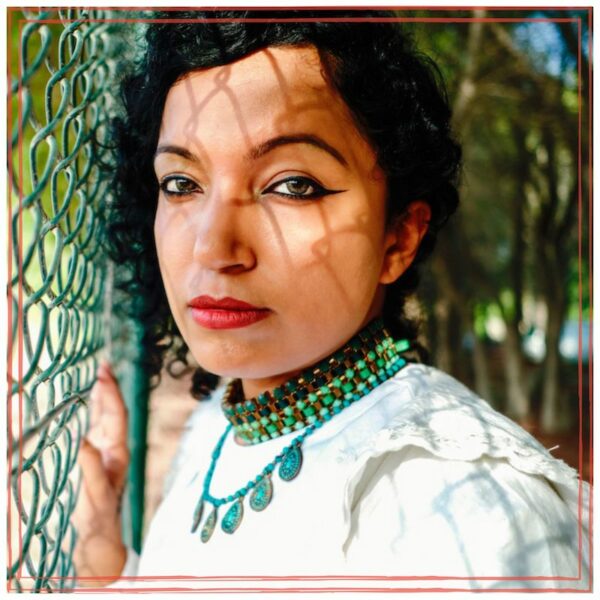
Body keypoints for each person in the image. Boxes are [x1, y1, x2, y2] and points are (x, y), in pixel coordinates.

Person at [72, 9, 590, 591]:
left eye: (293, 185)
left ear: (398, 237)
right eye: (181, 184)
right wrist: (102, 556)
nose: (214, 248)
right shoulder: (215, 423)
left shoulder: (465, 505)